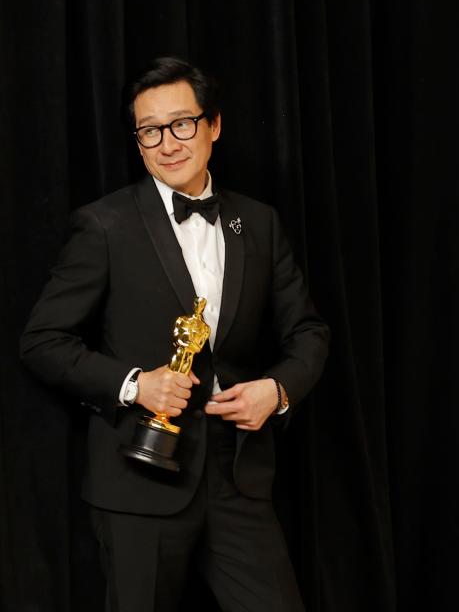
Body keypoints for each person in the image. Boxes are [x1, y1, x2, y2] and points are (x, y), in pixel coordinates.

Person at [20, 57, 330, 612]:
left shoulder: (258, 223)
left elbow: (307, 330)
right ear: (138, 143)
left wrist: (277, 391)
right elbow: (42, 340)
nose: (168, 143)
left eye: (182, 123)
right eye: (150, 131)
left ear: (213, 125)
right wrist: (135, 385)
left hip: (238, 479)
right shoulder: (103, 225)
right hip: (137, 481)